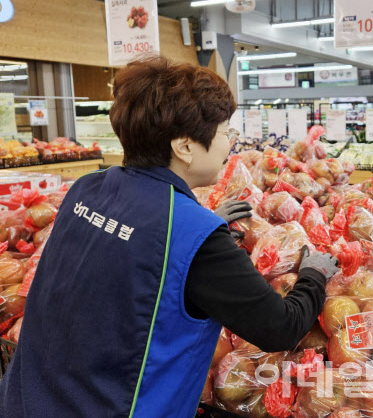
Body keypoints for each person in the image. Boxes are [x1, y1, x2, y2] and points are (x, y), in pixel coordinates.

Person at [0, 56, 340, 418]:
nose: (231, 146)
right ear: (184, 146)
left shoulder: (87, 189)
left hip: (30, 396)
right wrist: (314, 274)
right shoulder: (195, 235)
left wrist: (201, 222)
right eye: (226, 133)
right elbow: (280, 327)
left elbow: (130, 257)